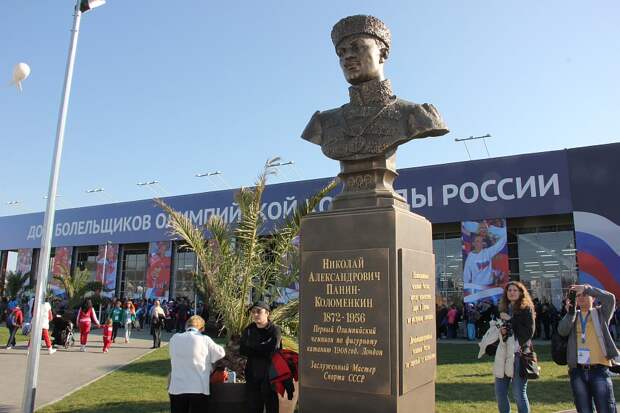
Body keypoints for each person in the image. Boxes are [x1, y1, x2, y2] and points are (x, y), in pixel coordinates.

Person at [558, 284, 618, 413]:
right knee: (584, 410)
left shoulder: (601, 313)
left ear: (593, 298)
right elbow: (562, 331)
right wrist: (570, 313)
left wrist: (586, 288)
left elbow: (610, 298)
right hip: (577, 371)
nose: (581, 298)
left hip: (599, 370)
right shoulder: (573, 315)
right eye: (578, 296)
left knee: (605, 408)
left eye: (585, 295)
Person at [168, 315, 225, 412]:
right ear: (202, 328)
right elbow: (221, 353)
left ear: (186, 326)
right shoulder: (205, 339)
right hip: (199, 387)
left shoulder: (174, 338)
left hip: (177, 386)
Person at [494, 281, 535, 413]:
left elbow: (529, 332)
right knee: (500, 392)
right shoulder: (503, 309)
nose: (511, 292)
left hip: (519, 355)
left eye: (515, 290)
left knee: (518, 393)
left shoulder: (526, 309)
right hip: (503, 354)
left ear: (521, 293)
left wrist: (510, 320)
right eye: (509, 290)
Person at [240, 301, 282, 413]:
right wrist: (262, 347)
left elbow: (272, 350)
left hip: (269, 376)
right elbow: (243, 349)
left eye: (258, 311)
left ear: (267, 313)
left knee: (271, 407)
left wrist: (253, 348)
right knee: (253, 407)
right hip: (252, 374)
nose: (255, 314)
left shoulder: (274, 330)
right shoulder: (249, 329)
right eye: (253, 312)